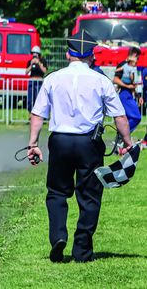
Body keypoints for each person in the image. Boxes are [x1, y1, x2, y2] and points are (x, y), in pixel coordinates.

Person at [28, 30, 131, 263]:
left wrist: (32, 144)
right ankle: (82, 251)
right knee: (90, 196)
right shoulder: (101, 80)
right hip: (89, 143)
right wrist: (127, 142)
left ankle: (58, 237)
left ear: (68, 54)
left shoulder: (53, 78)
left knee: (56, 192)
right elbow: (120, 116)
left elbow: (37, 114)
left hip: (60, 140)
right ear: (91, 56)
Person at [113, 47, 141, 139]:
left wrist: (138, 95)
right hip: (124, 93)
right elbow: (115, 79)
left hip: (129, 93)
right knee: (136, 117)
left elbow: (133, 83)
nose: (138, 59)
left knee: (128, 119)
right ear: (133, 55)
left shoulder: (132, 66)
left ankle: (121, 139)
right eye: (137, 57)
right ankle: (122, 136)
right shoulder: (123, 64)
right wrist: (127, 86)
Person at [26, 45, 47, 113]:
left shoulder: (42, 61)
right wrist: (31, 65)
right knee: (30, 100)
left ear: (39, 54)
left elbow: (44, 71)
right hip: (31, 81)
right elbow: (26, 72)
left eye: (36, 53)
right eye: (33, 53)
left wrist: (39, 63)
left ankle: (38, 114)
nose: (34, 55)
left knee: (38, 99)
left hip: (39, 82)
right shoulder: (30, 61)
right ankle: (30, 115)